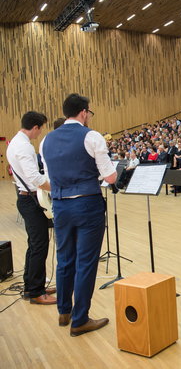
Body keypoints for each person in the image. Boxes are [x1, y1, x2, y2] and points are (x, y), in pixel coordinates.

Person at [41, 94, 117, 336]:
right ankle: (80, 319)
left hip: (61, 206)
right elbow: (111, 177)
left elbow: (51, 176)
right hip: (87, 205)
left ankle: (64, 311)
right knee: (86, 262)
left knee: (65, 259)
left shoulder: (46, 140)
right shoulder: (91, 136)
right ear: (84, 112)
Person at [6, 111, 56, 305]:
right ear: (35, 127)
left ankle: (32, 286)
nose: (40, 133)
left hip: (25, 198)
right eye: (40, 128)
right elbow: (35, 179)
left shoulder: (14, 143)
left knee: (35, 244)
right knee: (39, 245)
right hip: (30, 200)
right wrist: (58, 185)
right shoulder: (24, 146)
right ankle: (35, 292)